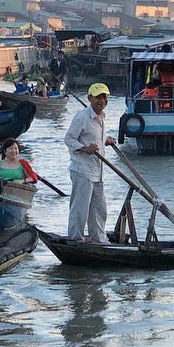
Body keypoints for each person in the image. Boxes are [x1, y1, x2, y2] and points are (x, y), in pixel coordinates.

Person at [64, 83, 116, 242]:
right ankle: (75, 240)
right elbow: (69, 139)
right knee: (80, 210)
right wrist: (83, 148)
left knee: (99, 210)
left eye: (105, 97)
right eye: (98, 97)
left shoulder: (101, 117)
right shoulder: (82, 117)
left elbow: (93, 137)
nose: (102, 100)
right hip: (83, 170)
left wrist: (104, 141)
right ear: (89, 98)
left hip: (97, 172)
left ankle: (99, 240)